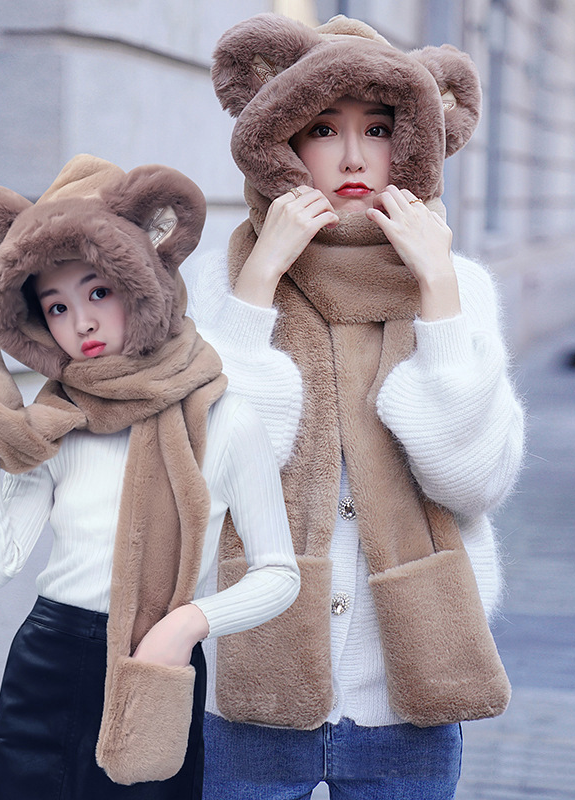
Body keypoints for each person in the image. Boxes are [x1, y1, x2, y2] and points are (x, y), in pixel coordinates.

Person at [182, 13, 525, 800]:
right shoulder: (217, 282)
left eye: (377, 128)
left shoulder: (458, 284)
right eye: (320, 128)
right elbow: (216, 466)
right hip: (255, 685)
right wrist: (256, 287)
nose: (350, 157)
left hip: (410, 688)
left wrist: (435, 295)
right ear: (281, 143)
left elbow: (473, 481)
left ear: (415, 140)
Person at [0, 155, 300, 800]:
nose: (83, 322)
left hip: (155, 658)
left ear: (143, 280)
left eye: (98, 291)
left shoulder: (227, 419)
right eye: (57, 306)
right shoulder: (60, 421)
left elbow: (278, 574)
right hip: (50, 658)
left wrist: (184, 627)